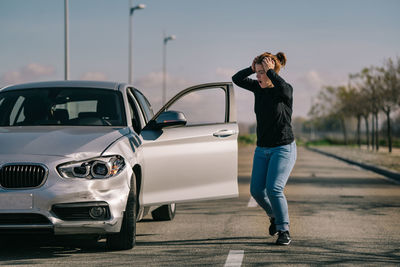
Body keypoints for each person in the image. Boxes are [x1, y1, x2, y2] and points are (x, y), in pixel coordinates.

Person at [232, 52, 297, 245]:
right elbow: (236, 79)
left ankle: (284, 230)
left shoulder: (284, 90)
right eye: (257, 72)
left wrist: (270, 72)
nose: (258, 76)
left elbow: (284, 89)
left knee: (274, 188)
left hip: (283, 148)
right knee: (257, 191)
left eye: (262, 73)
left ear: (272, 72)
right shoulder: (257, 89)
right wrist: (251, 68)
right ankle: (274, 217)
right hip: (262, 149)